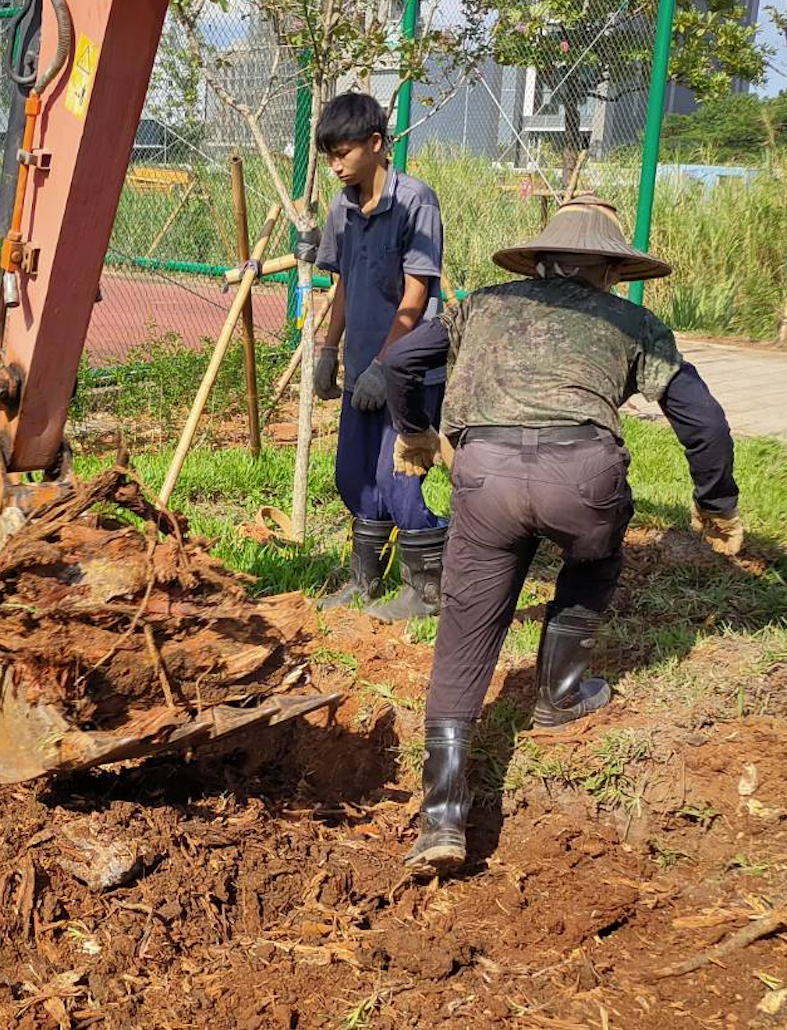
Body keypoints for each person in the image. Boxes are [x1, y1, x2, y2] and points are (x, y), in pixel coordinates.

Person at [379, 195, 742, 876]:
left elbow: (402, 365)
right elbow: (704, 420)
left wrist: (417, 434)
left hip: (483, 477)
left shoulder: (479, 306)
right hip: (583, 478)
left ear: (541, 258)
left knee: (465, 633)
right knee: (596, 554)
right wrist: (715, 502)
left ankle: (441, 821)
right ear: (609, 269)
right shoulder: (635, 321)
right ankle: (563, 689)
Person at [295, 92, 448, 622]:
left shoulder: (416, 202)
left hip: (409, 373)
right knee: (353, 478)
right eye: (330, 155)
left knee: (398, 480)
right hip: (361, 367)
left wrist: (388, 365)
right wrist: (326, 349)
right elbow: (343, 286)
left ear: (377, 144)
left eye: (344, 153)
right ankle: (364, 584)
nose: (336, 165)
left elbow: (416, 295)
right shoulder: (343, 206)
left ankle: (428, 589)